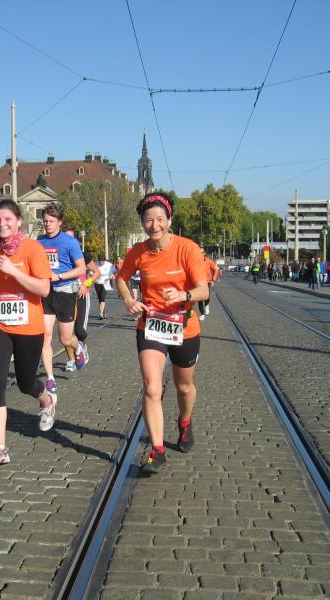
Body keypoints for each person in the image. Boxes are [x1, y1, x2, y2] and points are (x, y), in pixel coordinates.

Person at [116, 193, 209, 475]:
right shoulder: (138, 252)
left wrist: (183, 294)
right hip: (151, 325)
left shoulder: (187, 248)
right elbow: (121, 278)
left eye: (159, 219)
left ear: (169, 220)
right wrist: (129, 300)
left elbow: (203, 289)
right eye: (148, 220)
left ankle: (185, 421)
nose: (154, 225)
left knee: (184, 387)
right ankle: (157, 450)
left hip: (184, 326)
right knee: (152, 387)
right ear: (142, 223)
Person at [0, 199, 55, 465]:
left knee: (25, 382)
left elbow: (44, 289)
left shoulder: (33, 249)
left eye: (8, 219)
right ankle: (0, 447)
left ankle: (46, 400)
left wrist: (14, 272)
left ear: (19, 221)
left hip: (29, 326)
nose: (1, 224)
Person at [37, 203, 88, 393]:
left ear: (59, 221)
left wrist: (59, 276)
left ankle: (79, 348)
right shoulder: (39, 241)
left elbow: (81, 268)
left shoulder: (69, 242)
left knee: (66, 339)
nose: (47, 224)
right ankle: (50, 379)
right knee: (45, 337)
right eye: (45, 221)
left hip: (65, 290)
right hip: (46, 292)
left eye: (51, 221)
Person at [64, 228, 100, 372]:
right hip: (64, 295)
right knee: (66, 332)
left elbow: (97, 272)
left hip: (81, 295)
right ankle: (71, 359)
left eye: (71, 238)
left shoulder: (83, 255)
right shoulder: (59, 255)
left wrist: (86, 284)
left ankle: (83, 348)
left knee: (79, 330)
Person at [198, 249, 220, 321]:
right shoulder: (195, 261)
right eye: (199, 252)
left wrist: (213, 279)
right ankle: (202, 314)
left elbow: (216, 270)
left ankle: (207, 305)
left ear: (204, 253)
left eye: (202, 252)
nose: (201, 254)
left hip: (207, 281)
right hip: (198, 282)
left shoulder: (209, 261)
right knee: (200, 299)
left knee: (207, 296)